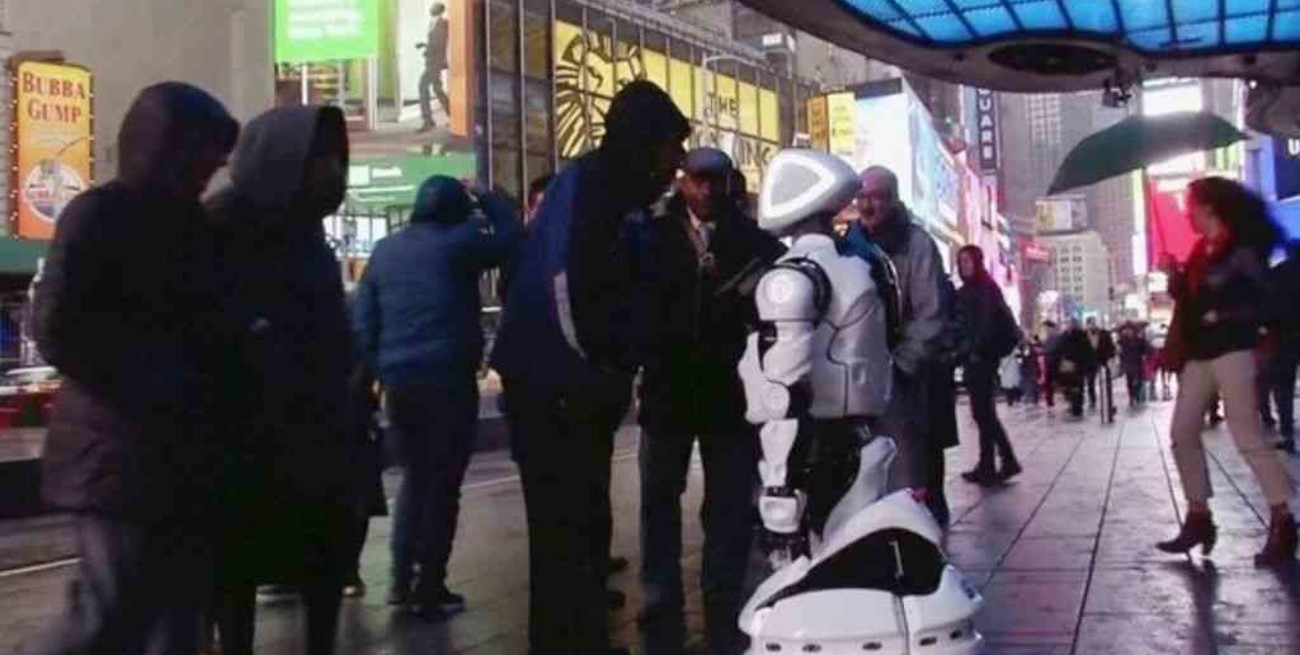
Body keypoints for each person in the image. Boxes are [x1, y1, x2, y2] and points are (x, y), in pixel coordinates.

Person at [21, 82, 238, 655]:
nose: (209, 172)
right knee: (113, 610)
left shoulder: (191, 226)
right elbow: (58, 327)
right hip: (117, 451)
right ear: (165, 148)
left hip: (171, 449)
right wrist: (158, 378)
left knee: (178, 616)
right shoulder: (101, 214)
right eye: (202, 158)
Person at [490, 80, 690, 655]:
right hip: (555, 389)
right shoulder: (592, 190)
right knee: (563, 534)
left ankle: (578, 639)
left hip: (569, 387)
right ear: (641, 141)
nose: (676, 163)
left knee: (579, 532)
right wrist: (610, 365)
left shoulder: (611, 192)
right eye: (670, 148)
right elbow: (568, 290)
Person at [206, 105, 355, 655]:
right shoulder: (224, 223)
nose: (332, 172)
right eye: (321, 159)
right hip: (247, 438)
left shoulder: (307, 232)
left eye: (337, 159)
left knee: (321, 559)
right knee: (236, 571)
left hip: (312, 435)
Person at [635, 149, 785, 654]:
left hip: (726, 390)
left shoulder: (748, 239)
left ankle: (722, 590)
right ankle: (659, 592)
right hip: (667, 386)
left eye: (715, 181)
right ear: (684, 183)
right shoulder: (655, 235)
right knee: (660, 495)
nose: (707, 191)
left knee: (727, 500)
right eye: (698, 181)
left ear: (728, 183)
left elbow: (779, 274)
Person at [355, 176, 521, 615]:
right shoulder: (460, 242)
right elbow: (511, 235)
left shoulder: (386, 250)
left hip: (400, 382)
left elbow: (365, 319)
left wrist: (372, 373)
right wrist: (486, 193)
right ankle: (430, 582)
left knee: (414, 478)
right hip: (447, 379)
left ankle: (398, 579)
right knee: (444, 483)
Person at [1155, 177, 1295, 566]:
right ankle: (1199, 515)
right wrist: (1175, 276)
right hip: (1199, 356)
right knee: (1182, 431)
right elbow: (1192, 301)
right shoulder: (1202, 250)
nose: (1187, 212)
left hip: (1234, 352)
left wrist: (1228, 315)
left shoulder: (1242, 250)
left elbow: (1269, 299)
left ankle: (1283, 519)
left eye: (1191, 205)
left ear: (1211, 207)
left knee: (1247, 436)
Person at [841, 166, 950, 520]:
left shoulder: (917, 244)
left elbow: (930, 314)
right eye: (862, 197)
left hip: (901, 381)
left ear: (894, 199)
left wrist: (901, 365)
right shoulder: (846, 245)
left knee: (905, 478)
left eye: (876, 196)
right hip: (853, 382)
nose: (867, 205)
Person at [955, 245, 1022, 486]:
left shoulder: (983, 289)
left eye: (968, 261)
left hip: (981, 358)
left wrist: (973, 351)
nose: (964, 266)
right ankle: (988, 464)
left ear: (978, 262)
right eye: (960, 261)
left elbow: (983, 327)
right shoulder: (972, 289)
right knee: (983, 414)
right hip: (977, 357)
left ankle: (1005, 460)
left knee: (984, 414)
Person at [1266, 240, 1300, 452]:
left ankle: (1287, 434)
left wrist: (1268, 326)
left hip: (1284, 335)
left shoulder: (1278, 273)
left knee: (1284, 388)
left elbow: (1267, 304)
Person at [417, 2, 451, 132]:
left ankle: (428, 120)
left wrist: (427, 50)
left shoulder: (443, 23)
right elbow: (434, 42)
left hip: (435, 62)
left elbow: (440, 44)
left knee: (422, 86)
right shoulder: (433, 22)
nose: (430, 9)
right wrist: (424, 45)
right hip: (432, 61)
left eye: (433, 7)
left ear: (439, 10)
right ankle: (454, 116)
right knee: (438, 89)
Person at [1053, 319, 1095, 418]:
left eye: (1071, 325)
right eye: (1069, 324)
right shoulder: (1064, 336)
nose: (1070, 326)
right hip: (1069, 365)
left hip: (1076, 365)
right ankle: (1074, 405)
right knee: (1071, 387)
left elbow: (1088, 351)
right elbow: (1058, 350)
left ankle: (1076, 406)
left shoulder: (1081, 336)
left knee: (1076, 387)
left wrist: (1090, 364)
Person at [1085, 317, 1117, 417]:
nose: (1092, 325)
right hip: (1090, 362)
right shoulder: (1084, 335)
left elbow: (1111, 346)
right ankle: (1092, 399)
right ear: (1088, 325)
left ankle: (1109, 401)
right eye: (1090, 324)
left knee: (1106, 381)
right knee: (1090, 381)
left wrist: (1110, 357)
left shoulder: (1104, 333)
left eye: (1094, 323)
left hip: (1103, 360)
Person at [1118, 323, 1151, 406]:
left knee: (1138, 381)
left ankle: (1136, 394)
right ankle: (1131, 397)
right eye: (1127, 330)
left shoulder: (1139, 340)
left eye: (1130, 330)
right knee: (1129, 381)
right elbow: (1119, 348)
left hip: (1137, 363)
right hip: (1128, 363)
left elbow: (1147, 348)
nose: (1129, 332)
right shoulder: (1123, 340)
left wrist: (1144, 355)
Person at [1020, 338, 1042, 405]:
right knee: (1032, 383)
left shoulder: (1027, 348)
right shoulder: (1030, 347)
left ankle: (1032, 398)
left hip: (1029, 368)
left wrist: (1020, 360)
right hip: (1032, 368)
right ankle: (1034, 398)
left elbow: (1024, 357)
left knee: (1030, 383)